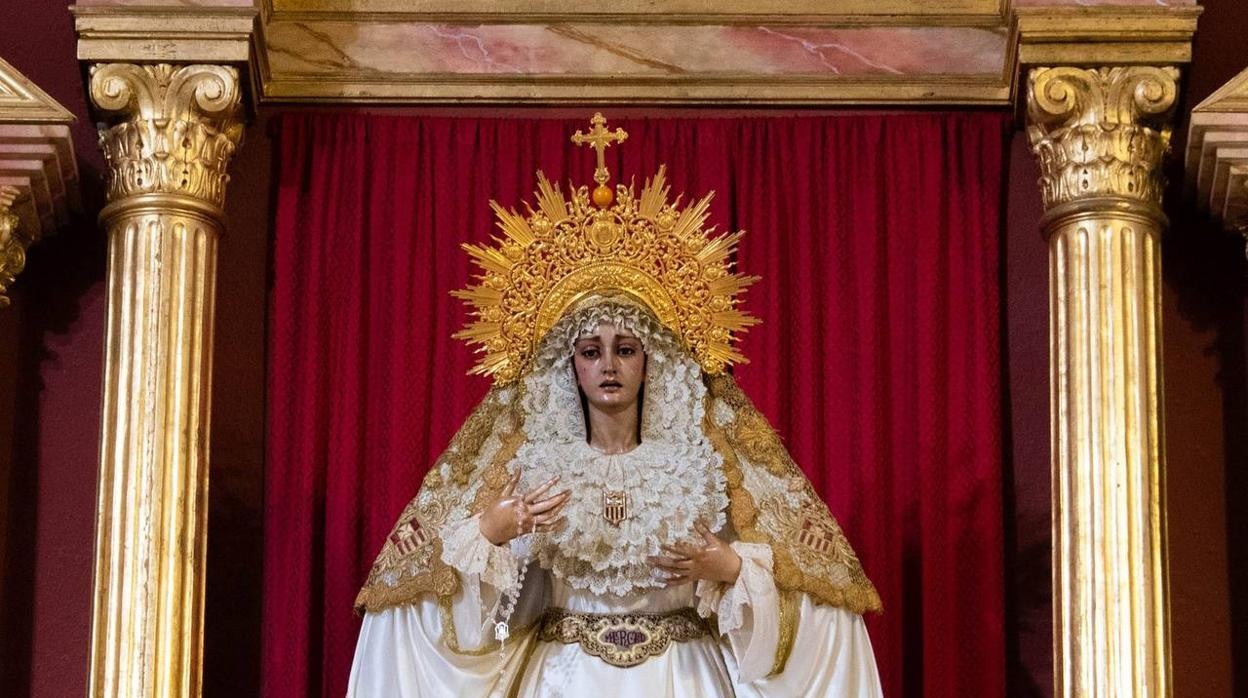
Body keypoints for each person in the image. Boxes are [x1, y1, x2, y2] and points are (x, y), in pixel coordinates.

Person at [348, 116, 883, 697]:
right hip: (562, 679)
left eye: (625, 349)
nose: (608, 365)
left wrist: (729, 569)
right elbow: (496, 623)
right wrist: (494, 530)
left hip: (682, 678)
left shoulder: (700, 467)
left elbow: (806, 595)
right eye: (590, 351)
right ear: (568, 366)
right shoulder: (535, 471)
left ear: (651, 362)